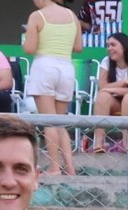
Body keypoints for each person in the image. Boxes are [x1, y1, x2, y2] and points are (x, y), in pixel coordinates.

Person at [23, 0, 81, 177]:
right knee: (60, 122)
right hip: (66, 68)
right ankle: (70, 167)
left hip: (44, 66)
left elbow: (29, 48)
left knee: (49, 120)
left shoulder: (37, 16)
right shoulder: (72, 16)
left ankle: (54, 167)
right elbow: (78, 47)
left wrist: (26, 39)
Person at [89, 31, 128, 153]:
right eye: (108, 45)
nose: (109, 48)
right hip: (115, 102)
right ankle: (99, 143)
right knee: (102, 96)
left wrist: (111, 89)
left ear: (124, 46)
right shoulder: (107, 61)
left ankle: (126, 143)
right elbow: (102, 86)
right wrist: (124, 82)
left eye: (113, 45)